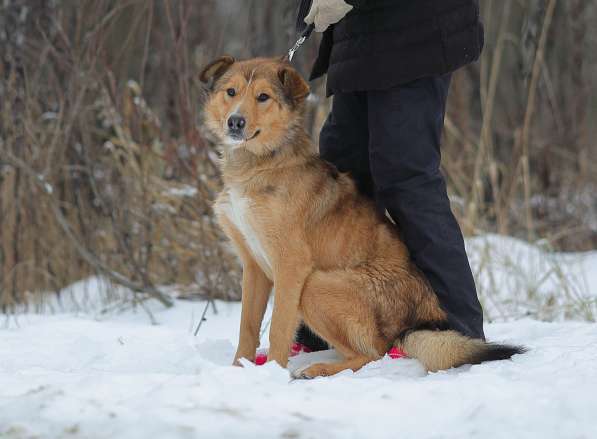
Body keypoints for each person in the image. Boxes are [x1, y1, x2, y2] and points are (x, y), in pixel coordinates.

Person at [294, 0, 486, 351]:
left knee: (404, 171)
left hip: (417, 30)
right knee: (341, 176)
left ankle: (458, 328)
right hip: (360, 38)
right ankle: (325, 329)